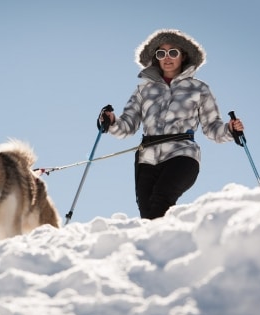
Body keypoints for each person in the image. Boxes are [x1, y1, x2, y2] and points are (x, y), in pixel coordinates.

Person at [99, 28, 245, 219]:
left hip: (182, 154)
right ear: (156, 57)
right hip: (147, 158)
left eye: (173, 52)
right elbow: (127, 126)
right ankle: (163, 245)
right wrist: (110, 121)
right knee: (147, 215)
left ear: (183, 56)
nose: (167, 58)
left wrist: (230, 129)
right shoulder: (144, 90)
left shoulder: (198, 88)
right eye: (161, 53)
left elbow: (213, 129)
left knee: (161, 200)